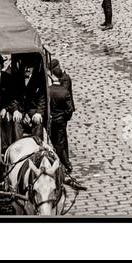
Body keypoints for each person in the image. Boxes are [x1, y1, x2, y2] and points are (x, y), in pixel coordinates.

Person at [48, 59, 81, 187]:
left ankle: (65, 162)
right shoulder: (63, 81)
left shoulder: (65, 80)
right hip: (61, 117)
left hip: (57, 116)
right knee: (61, 140)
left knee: (59, 141)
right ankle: (65, 161)